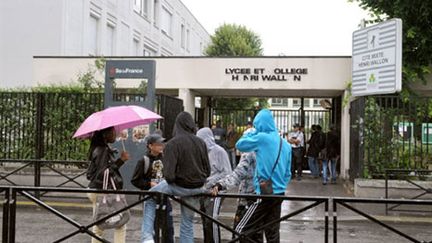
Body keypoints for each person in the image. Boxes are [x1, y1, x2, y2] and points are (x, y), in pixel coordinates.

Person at [141, 112, 211, 243]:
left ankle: (147, 238)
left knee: (150, 198)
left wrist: (176, 183)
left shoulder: (172, 144)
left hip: (178, 186)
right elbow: (207, 171)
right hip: (198, 187)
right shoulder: (201, 143)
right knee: (187, 223)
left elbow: (169, 176)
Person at [234, 109, 292, 243]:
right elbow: (288, 173)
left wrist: (254, 132)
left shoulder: (262, 138)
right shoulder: (286, 144)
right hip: (279, 194)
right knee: (272, 232)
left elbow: (240, 145)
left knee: (241, 229)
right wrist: (279, 184)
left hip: (262, 193)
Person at [211, 128, 263, 241]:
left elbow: (238, 174)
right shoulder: (263, 152)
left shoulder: (249, 154)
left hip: (248, 198)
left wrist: (220, 185)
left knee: (239, 232)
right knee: (256, 234)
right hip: (261, 197)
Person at [86, 126, 130, 243]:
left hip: (97, 190)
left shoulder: (100, 148)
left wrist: (119, 160)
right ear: (105, 135)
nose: (115, 134)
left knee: (99, 225)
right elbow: (103, 172)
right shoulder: (102, 150)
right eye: (113, 132)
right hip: (103, 191)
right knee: (120, 223)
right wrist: (121, 160)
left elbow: (102, 170)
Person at [131, 134, 174, 243]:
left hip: (165, 197)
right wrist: (149, 184)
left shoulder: (166, 159)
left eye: (162, 144)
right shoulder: (144, 161)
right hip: (150, 198)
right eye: (158, 144)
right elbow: (135, 180)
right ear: (150, 146)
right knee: (152, 227)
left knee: (168, 227)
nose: (161, 146)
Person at [197, 127, 232, 243]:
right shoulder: (201, 153)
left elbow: (227, 172)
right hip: (204, 190)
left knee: (211, 220)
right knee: (205, 220)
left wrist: (211, 182)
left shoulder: (219, 151)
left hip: (217, 190)